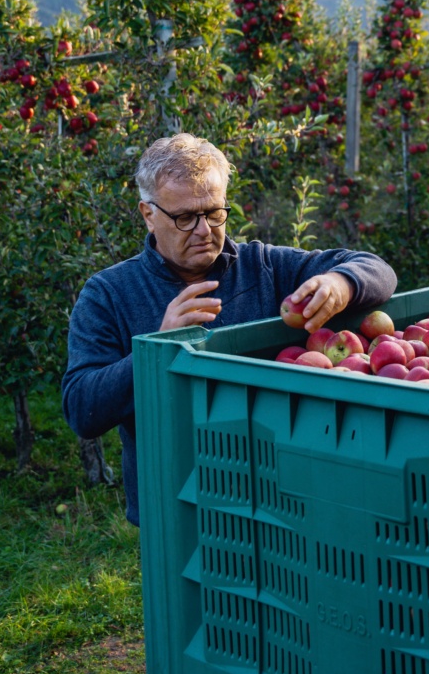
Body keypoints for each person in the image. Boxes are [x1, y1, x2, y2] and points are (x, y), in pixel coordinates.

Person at [62, 134, 397, 526]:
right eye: (185, 217)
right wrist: (157, 347)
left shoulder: (265, 267)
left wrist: (342, 284)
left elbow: (377, 269)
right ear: (148, 214)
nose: (204, 230)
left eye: (214, 212)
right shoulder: (110, 294)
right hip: (180, 503)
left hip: (281, 494)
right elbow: (81, 408)